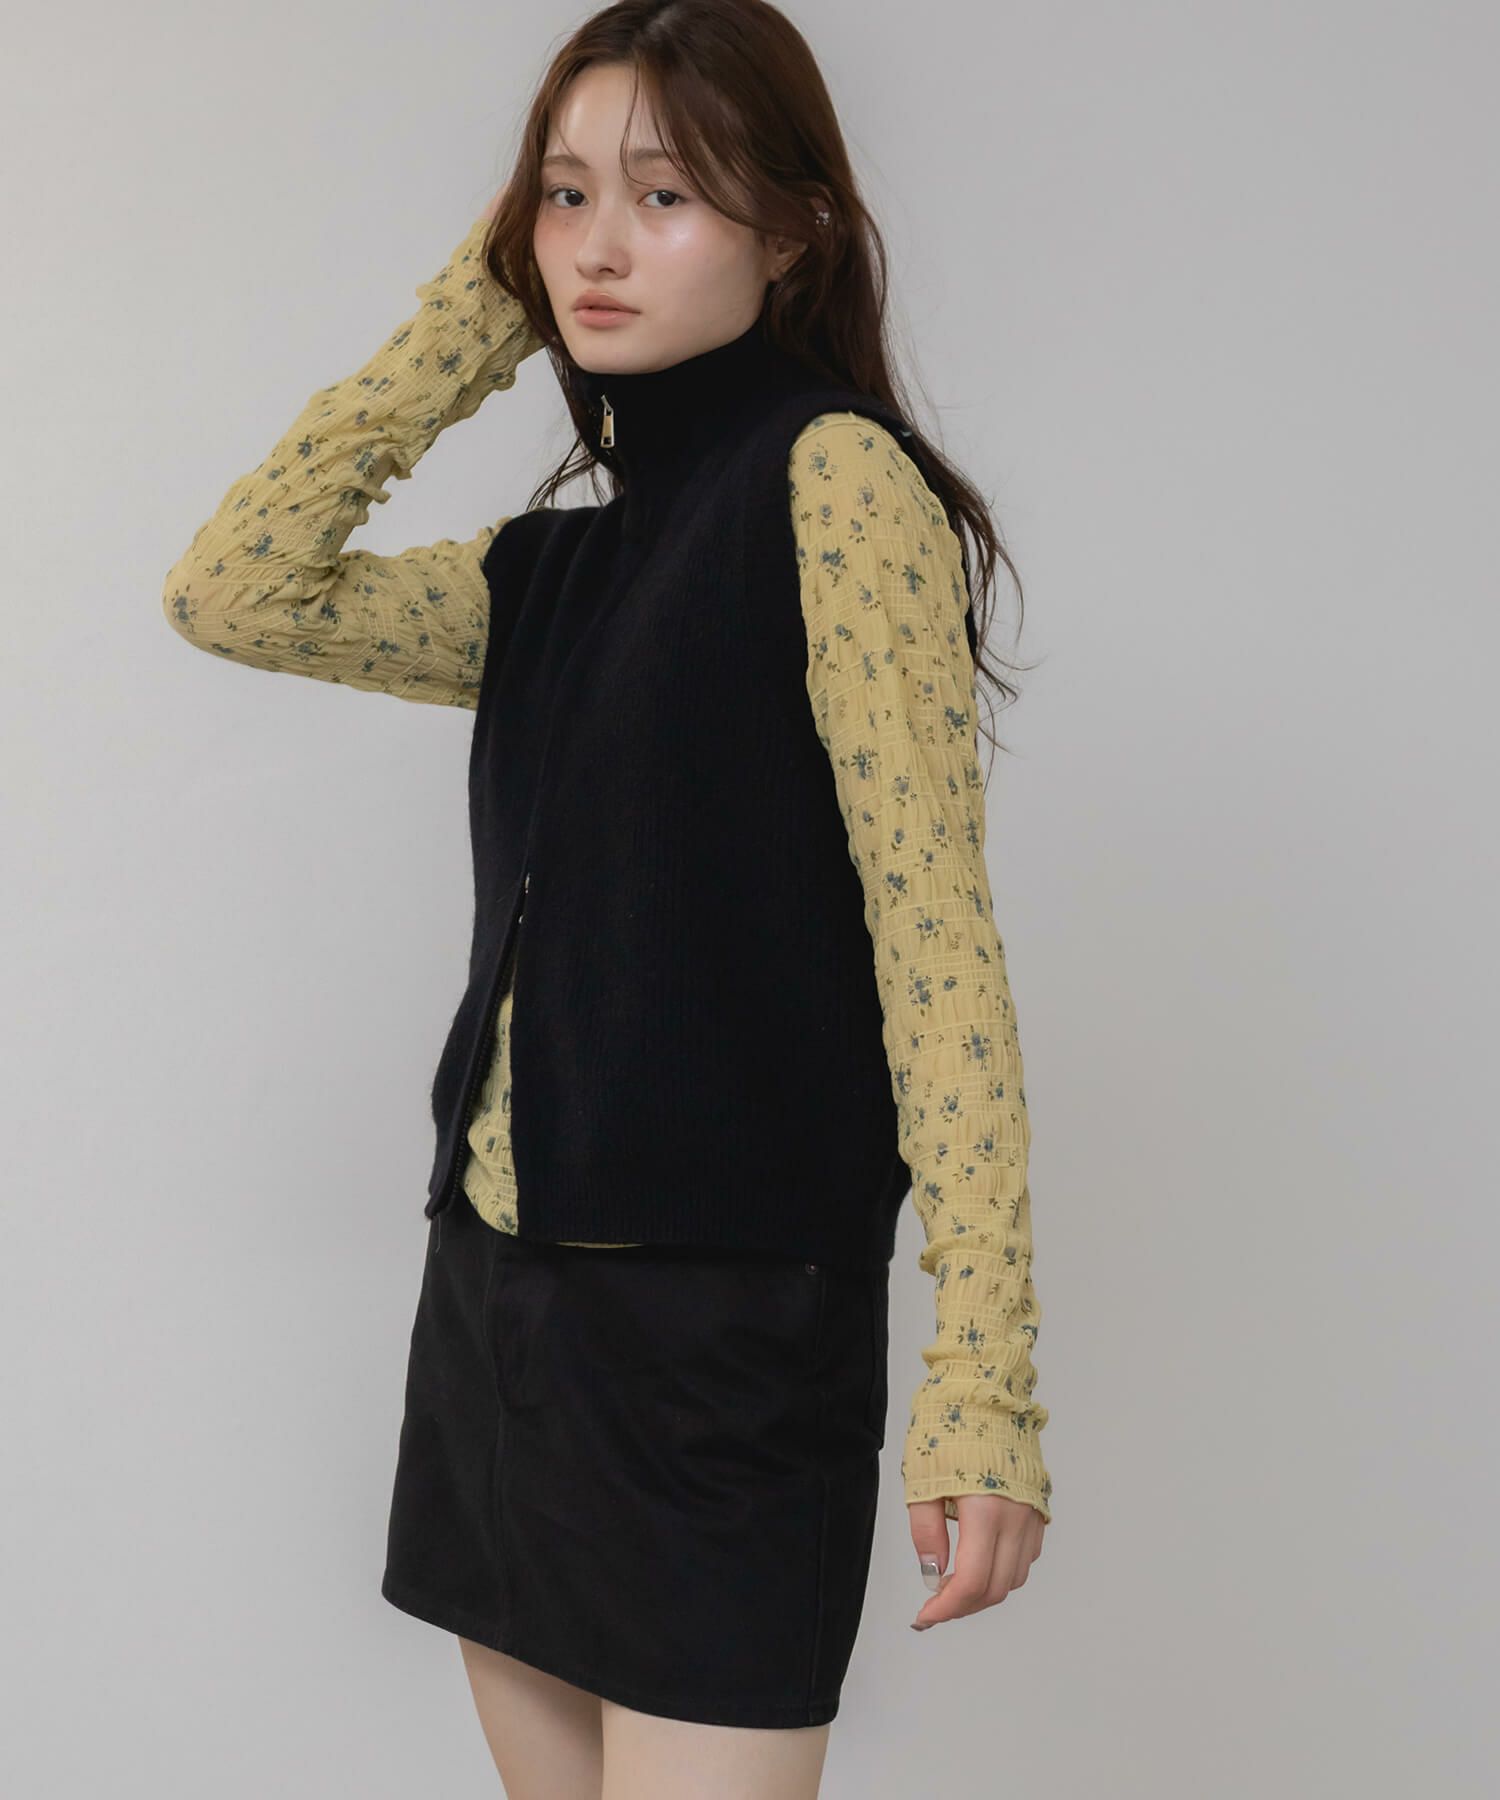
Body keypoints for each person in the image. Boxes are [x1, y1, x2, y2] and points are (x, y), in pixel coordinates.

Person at [160, 2, 1052, 1794]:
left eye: (664, 193)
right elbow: (236, 591)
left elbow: (936, 946)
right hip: (498, 1311)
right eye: (562, 198)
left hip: (723, 1340)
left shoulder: (832, 485)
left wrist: (984, 1383)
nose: (596, 248)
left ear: (792, 229)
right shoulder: (549, 574)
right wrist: (480, 306)